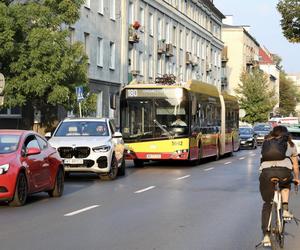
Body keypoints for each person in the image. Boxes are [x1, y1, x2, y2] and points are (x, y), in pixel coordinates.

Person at [259, 125, 299, 246]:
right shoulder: (290, 144)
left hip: (266, 174)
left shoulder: (266, 142)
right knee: (286, 184)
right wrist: (297, 178)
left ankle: (266, 235)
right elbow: (296, 165)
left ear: (273, 133)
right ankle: (285, 209)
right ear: (287, 134)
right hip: (284, 173)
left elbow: (261, 160)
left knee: (267, 203)